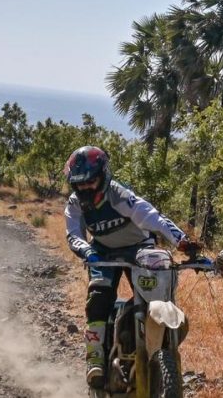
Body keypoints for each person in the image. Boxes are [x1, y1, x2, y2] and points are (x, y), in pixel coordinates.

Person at [63, 145, 199, 388]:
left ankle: (158, 346)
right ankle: (95, 357)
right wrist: (87, 251)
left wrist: (182, 241)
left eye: (91, 182)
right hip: (101, 252)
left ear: (103, 176)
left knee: (154, 296)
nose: (85, 188)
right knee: (98, 297)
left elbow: (153, 217)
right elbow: (74, 234)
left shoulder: (120, 195)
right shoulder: (75, 204)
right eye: (79, 184)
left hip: (139, 248)